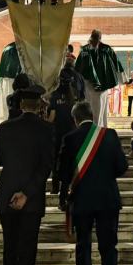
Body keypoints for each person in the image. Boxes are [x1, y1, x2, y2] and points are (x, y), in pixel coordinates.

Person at [59, 101, 128, 265]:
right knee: (108, 246)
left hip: (82, 200)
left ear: (75, 119)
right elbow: (122, 167)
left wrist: (64, 197)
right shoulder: (110, 135)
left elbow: (64, 173)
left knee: (83, 246)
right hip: (108, 198)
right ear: (92, 114)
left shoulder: (70, 138)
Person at [0, 83, 54, 265]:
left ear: (20, 104)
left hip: (7, 193)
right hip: (33, 197)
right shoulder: (46, 129)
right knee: (28, 248)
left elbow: (0, 159)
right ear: (39, 104)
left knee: (10, 246)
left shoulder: (5, 127)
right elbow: (46, 166)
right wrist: (27, 193)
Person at [75, 30, 124, 127]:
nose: (94, 40)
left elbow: (116, 62)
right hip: (89, 85)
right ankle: (94, 131)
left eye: (97, 38)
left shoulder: (106, 49)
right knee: (93, 110)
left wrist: (122, 79)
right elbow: (79, 66)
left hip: (103, 85)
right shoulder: (85, 50)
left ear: (100, 39)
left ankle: (101, 130)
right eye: (93, 37)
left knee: (101, 110)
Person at [47, 70, 79, 198]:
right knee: (70, 160)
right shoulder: (73, 96)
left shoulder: (54, 96)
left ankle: (55, 187)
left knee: (56, 161)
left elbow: (51, 118)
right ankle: (71, 186)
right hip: (71, 133)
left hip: (57, 133)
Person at [0, 42, 23, 125]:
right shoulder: (22, 47)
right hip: (19, 79)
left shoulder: (7, 49)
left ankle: (7, 120)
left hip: (6, 79)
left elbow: (1, 67)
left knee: (7, 100)